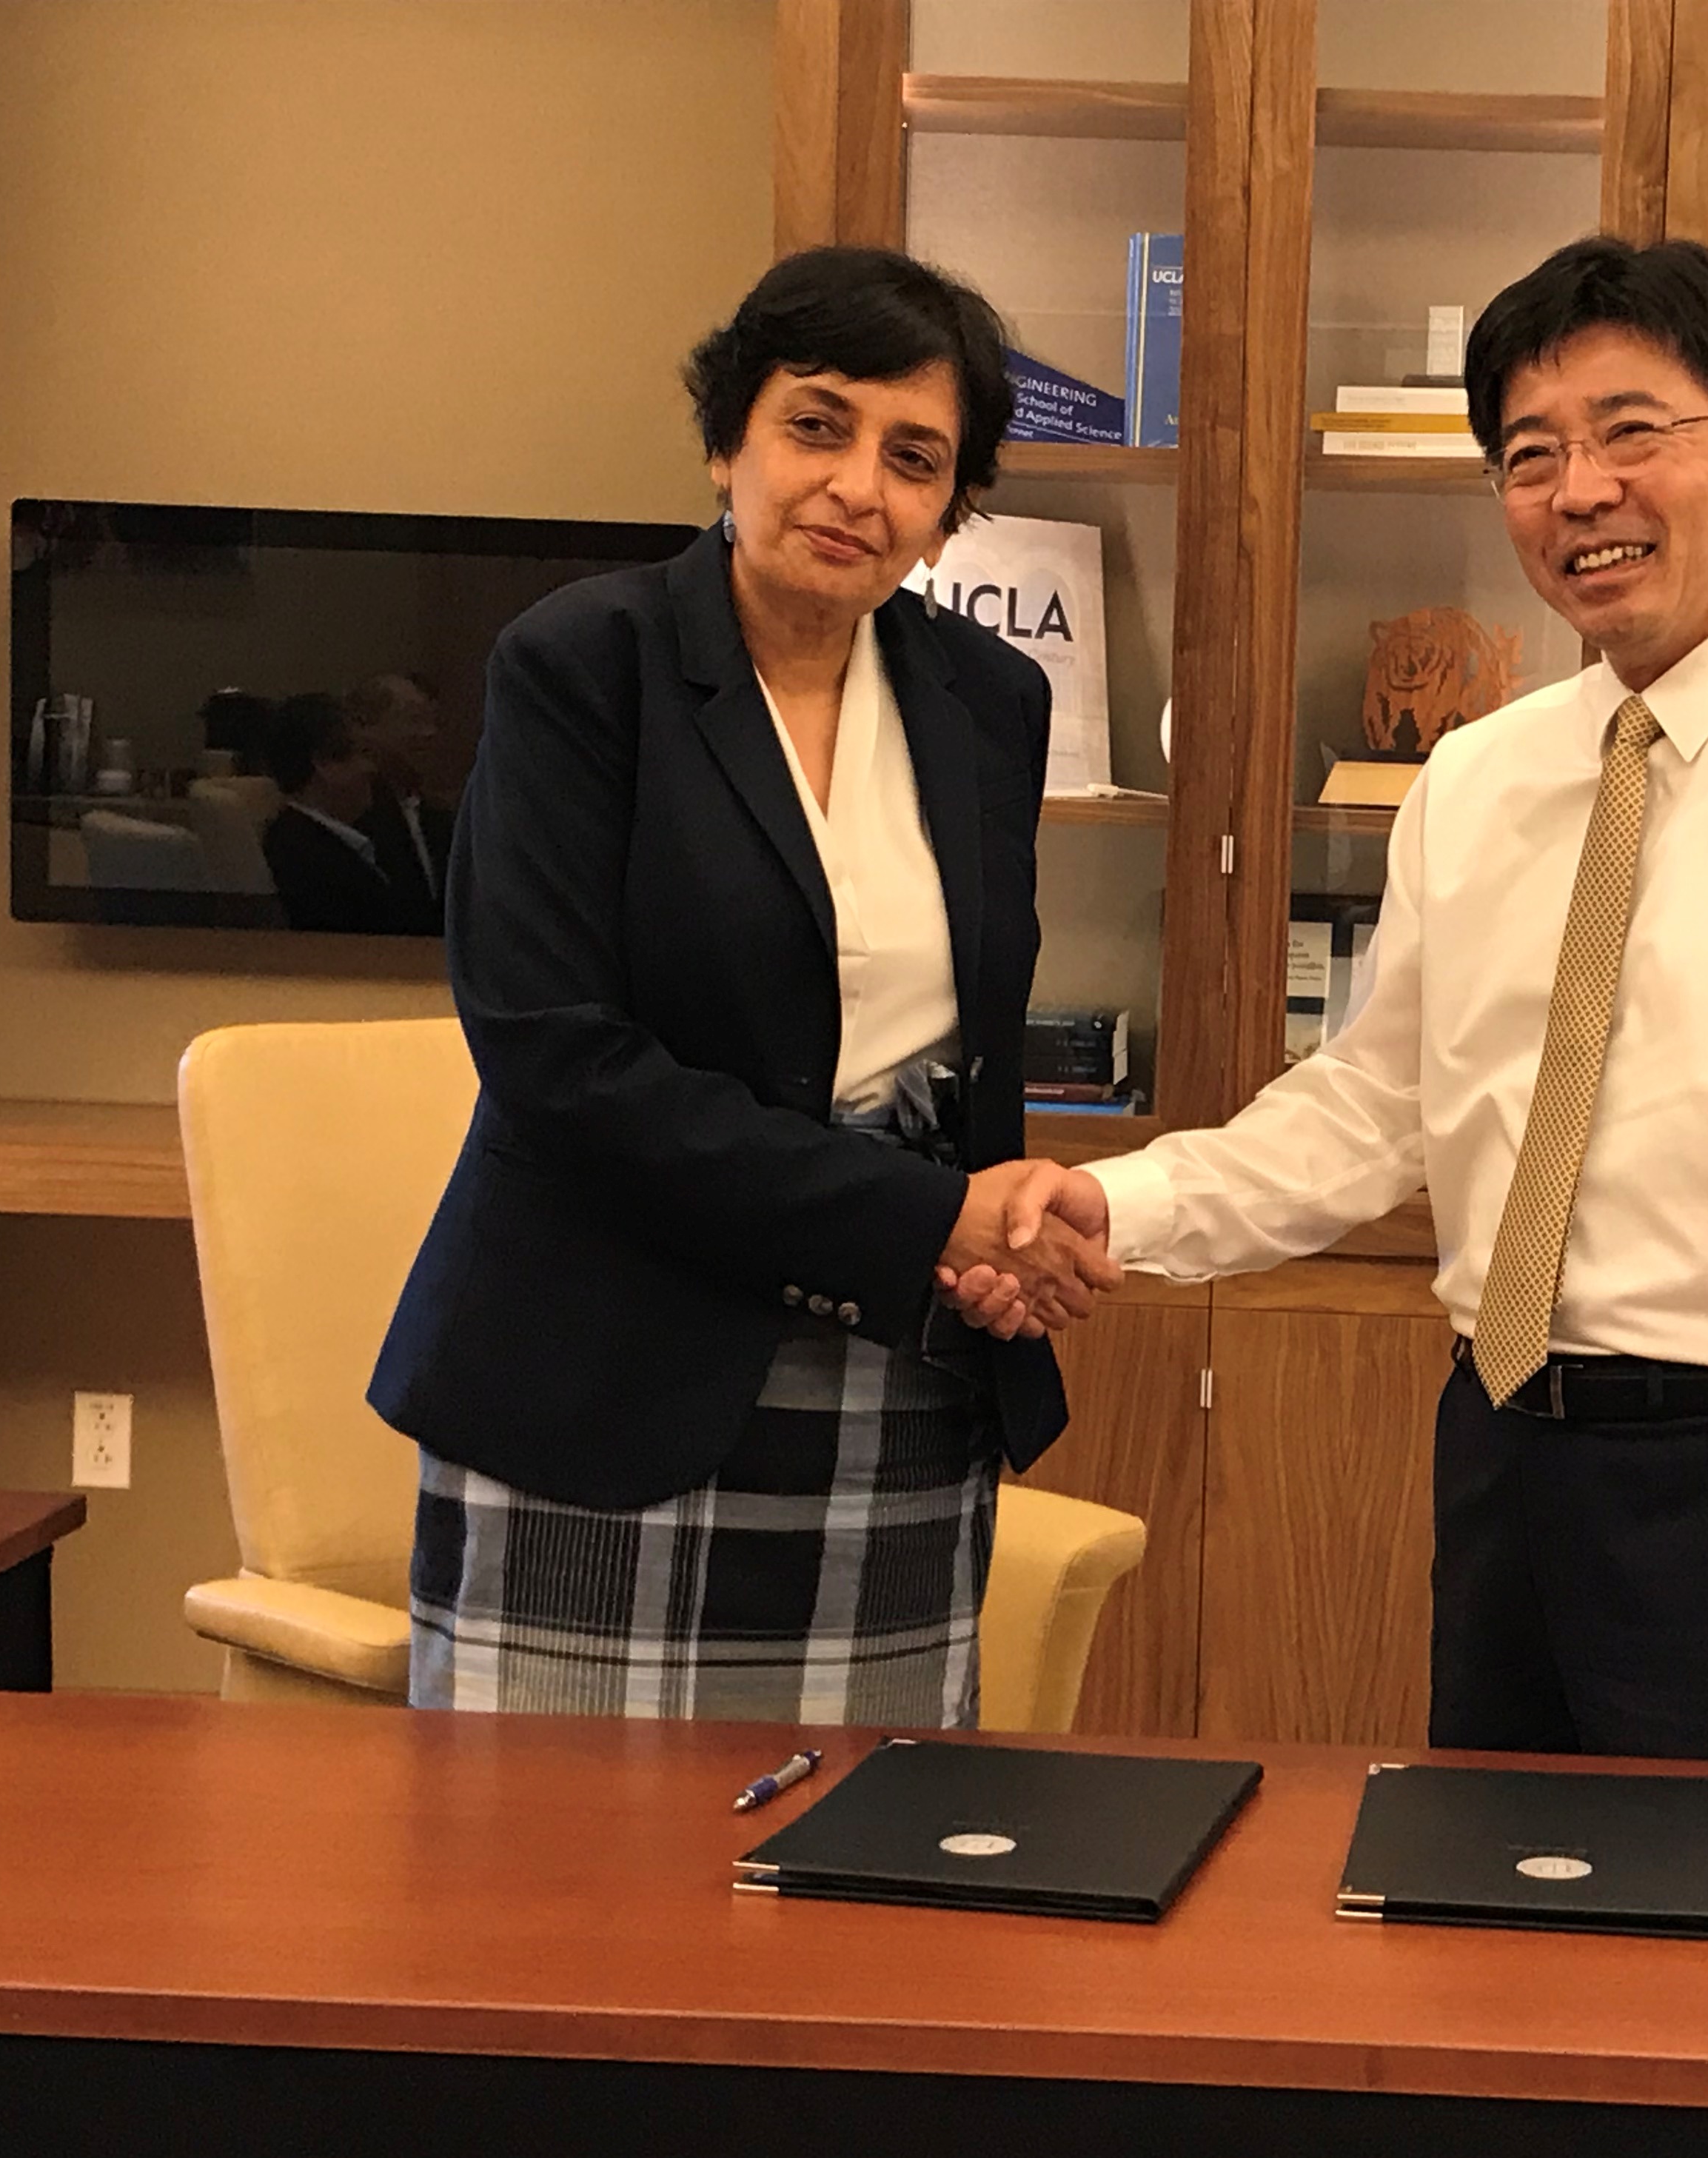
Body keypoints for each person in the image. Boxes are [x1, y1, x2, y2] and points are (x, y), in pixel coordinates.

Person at [977, 235, 1708, 1766]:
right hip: (1499, 1455)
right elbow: (1373, 1108)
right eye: (1531, 455)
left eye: (1633, 432)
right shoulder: (1482, 776)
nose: (1580, 492)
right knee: (1484, 1928)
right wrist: (1119, 1211)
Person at [370, 245, 1119, 1722]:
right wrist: (928, 1215)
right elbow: (557, 1061)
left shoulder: (990, 700)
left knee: (863, 1877)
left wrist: (990, 1233)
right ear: (728, 439)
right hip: (610, 1369)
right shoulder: (582, 662)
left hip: (898, 1376)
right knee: (550, 1903)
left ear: (952, 508)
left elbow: (956, 1045)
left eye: (916, 459)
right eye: (817, 425)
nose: (858, 486)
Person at [260, 691, 415, 932]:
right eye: (361, 754)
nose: (371, 769)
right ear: (324, 764)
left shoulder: (312, 839)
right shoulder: (305, 857)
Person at [347, 671, 461, 935]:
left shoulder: (437, 816)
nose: (429, 733)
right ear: (365, 727)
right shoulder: (351, 813)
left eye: (433, 721)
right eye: (414, 720)